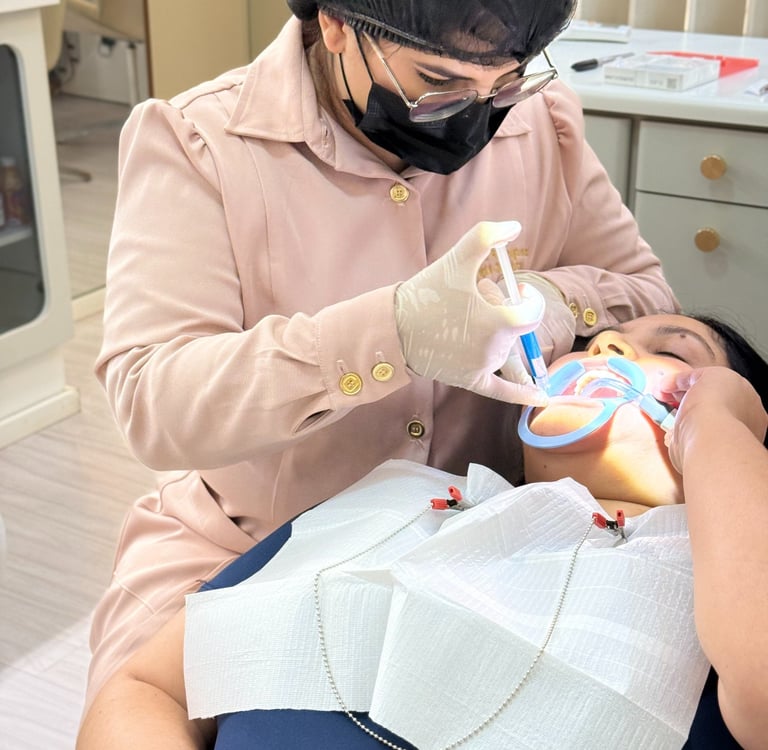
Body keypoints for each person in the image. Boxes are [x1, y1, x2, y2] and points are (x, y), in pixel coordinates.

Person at [85, 0, 680, 714]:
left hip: (487, 545)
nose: (478, 116)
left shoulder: (542, 123)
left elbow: (652, 300)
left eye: (505, 82)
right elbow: (156, 406)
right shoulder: (199, 144)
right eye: (440, 82)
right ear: (338, 24)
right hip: (250, 544)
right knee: (136, 712)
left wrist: (554, 300)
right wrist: (393, 334)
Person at [77, 313, 768, 749]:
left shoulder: (723, 590)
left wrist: (714, 423)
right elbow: (147, 689)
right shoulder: (396, 499)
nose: (609, 344)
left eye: (672, 350)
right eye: (592, 345)